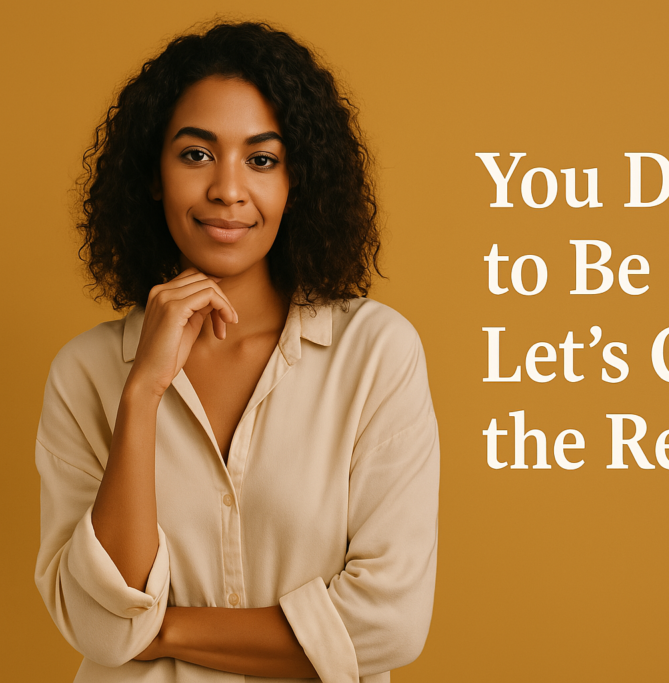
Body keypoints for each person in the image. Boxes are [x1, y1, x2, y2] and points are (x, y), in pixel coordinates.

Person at [34, 20, 440, 683]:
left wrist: (160, 629)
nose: (227, 189)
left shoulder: (374, 353)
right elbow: (99, 628)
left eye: (262, 159)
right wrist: (141, 395)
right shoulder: (84, 373)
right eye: (196, 154)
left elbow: (390, 621)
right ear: (153, 174)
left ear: (297, 181)